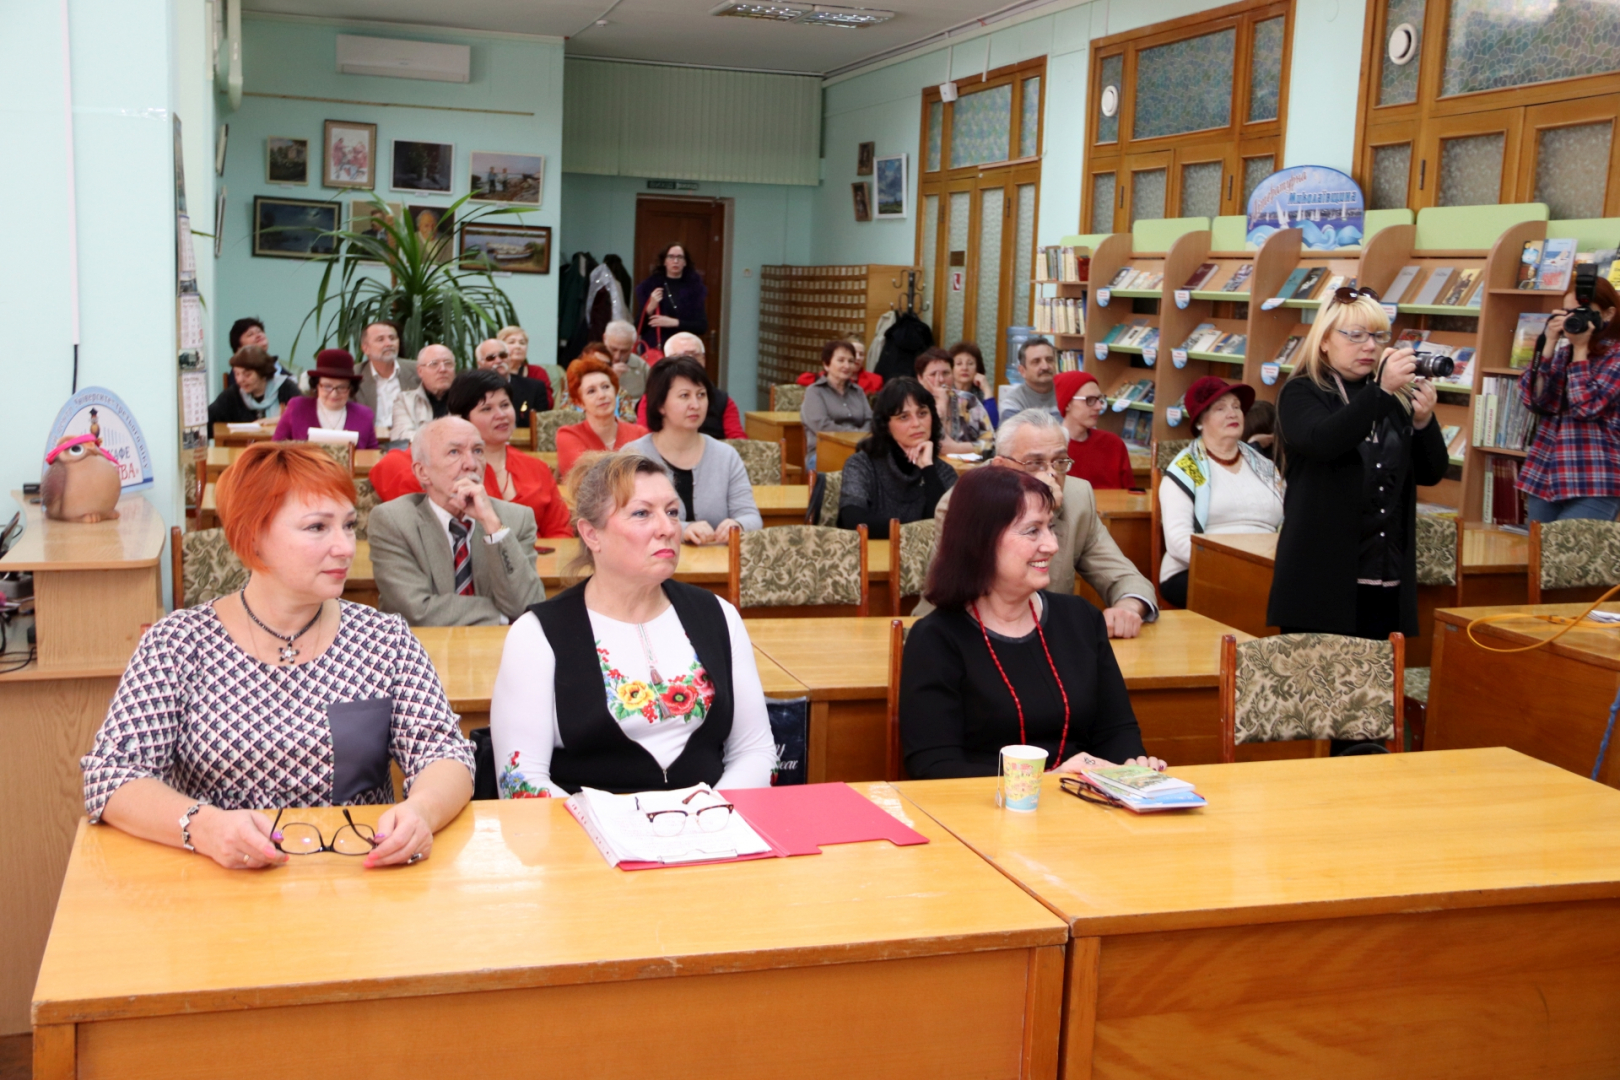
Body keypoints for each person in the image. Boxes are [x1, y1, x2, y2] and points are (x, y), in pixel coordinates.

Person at [80, 443, 474, 870]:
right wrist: (204, 826)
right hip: (218, 878)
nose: (345, 547)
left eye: (348, 525)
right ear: (253, 536)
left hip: (356, 874)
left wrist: (421, 811)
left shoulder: (382, 639)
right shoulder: (178, 644)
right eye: (317, 527)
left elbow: (445, 752)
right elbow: (112, 775)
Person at [490, 452, 776, 796]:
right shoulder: (537, 634)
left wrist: (709, 812)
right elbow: (520, 780)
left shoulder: (718, 615)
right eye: (642, 513)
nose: (667, 528)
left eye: (672, 512)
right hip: (584, 827)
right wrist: (620, 822)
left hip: (710, 820)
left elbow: (756, 752)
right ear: (591, 534)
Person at [899, 465, 1164, 780]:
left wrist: (1132, 769)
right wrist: (1049, 780)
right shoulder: (935, 639)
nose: (1052, 545)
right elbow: (933, 767)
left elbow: (1116, 730)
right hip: (986, 805)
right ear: (981, 540)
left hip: (1082, 800)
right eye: (1032, 531)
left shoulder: (1081, 619)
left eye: (1050, 527)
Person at [1267, 288, 1449, 640]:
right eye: (1355, 335)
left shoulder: (1393, 397)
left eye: (1378, 336)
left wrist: (1424, 421)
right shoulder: (1302, 392)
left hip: (1384, 573)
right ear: (1324, 341)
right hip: (1321, 582)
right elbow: (1324, 441)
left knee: (1379, 675)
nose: (1369, 346)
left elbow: (1430, 473)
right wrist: (1380, 392)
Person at [924, 410, 1157, 638]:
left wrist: (1128, 608)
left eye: (1059, 461)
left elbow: (1125, 577)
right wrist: (1035, 510)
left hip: (1049, 638)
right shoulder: (964, 503)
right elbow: (964, 593)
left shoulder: (1078, 497)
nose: (1051, 474)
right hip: (963, 635)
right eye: (1035, 463)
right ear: (1000, 466)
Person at [367, 417, 549, 626]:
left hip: (498, 643)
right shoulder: (393, 521)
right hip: (423, 645)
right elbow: (416, 611)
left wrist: (492, 526)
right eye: (454, 452)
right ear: (422, 472)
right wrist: (503, 616)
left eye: (478, 451)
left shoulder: (515, 518)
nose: (471, 464)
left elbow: (527, 603)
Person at [1158, 377, 1285, 609]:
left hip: (1266, 567)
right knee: (1256, 592)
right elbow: (1178, 542)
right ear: (1200, 421)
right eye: (1220, 408)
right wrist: (1236, 566)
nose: (1232, 413)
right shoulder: (1185, 470)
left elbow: (1288, 520)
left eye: (1236, 406)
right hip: (1196, 569)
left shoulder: (1265, 466)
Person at [625, 357, 761, 545]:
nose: (695, 405)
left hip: (715, 561)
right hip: (650, 560)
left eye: (701, 395)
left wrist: (738, 524)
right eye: (684, 396)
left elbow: (751, 516)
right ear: (660, 405)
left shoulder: (726, 456)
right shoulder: (634, 456)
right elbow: (628, 518)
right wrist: (683, 529)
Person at [1517, 276, 1620, 522]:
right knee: (1537, 547)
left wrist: (1581, 351)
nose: (1575, 318)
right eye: (1568, 312)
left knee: (1573, 548)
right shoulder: (1563, 353)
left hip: (1595, 478)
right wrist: (1549, 343)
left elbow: (1586, 407)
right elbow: (1534, 400)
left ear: (1608, 314)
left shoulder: (1616, 357)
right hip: (1545, 472)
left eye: (1583, 312)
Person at [838, 376, 957, 540]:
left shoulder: (943, 471)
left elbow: (947, 527)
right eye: (904, 417)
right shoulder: (861, 464)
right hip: (872, 554)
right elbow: (853, 520)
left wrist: (928, 469)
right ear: (886, 425)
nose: (916, 424)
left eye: (922, 413)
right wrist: (915, 531)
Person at [633, 333, 746, 439]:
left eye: (695, 355)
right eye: (683, 356)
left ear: (704, 360)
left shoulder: (723, 400)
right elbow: (643, 436)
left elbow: (739, 441)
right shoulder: (653, 398)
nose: (691, 361)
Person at [556, 356, 648, 477]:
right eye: (591, 391)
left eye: (606, 387)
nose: (602, 395)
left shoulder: (640, 434)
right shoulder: (568, 435)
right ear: (580, 402)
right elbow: (585, 478)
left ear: (615, 391)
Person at [272, 349, 379, 449]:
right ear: (317, 385)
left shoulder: (364, 415)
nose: (334, 394)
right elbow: (275, 448)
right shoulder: (297, 407)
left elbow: (373, 456)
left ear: (351, 388)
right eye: (327, 386)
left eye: (342, 387)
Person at [800, 339, 874, 471]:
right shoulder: (815, 392)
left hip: (858, 450)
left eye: (850, 361)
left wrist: (860, 438)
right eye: (841, 360)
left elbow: (870, 420)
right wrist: (856, 435)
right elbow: (822, 426)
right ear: (826, 364)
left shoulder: (858, 391)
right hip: (824, 452)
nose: (847, 366)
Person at [1055, 371, 1133, 489]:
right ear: (1067, 404)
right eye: (1090, 400)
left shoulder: (1114, 444)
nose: (1099, 407)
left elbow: (1131, 494)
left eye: (1100, 399)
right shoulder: (1051, 448)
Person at [916, 346, 993, 455]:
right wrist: (941, 405)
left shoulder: (968, 400)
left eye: (946, 373)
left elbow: (992, 444)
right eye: (933, 374)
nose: (941, 379)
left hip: (966, 465)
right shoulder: (914, 404)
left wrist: (958, 448)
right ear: (920, 378)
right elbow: (933, 445)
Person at [634, 242, 708, 351]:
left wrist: (673, 322)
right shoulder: (651, 287)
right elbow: (638, 328)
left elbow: (701, 326)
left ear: (685, 262)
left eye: (680, 257)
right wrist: (649, 308)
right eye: (671, 257)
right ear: (664, 261)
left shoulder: (694, 289)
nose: (675, 261)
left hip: (684, 348)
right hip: (657, 349)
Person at [354, 321, 419, 439]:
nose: (389, 344)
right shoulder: (354, 375)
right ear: (365, 348)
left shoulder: (418, 370)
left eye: (392, 338)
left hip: (410, 441)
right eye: (380, 339)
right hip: (370, 442)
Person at [208, 345, 299, 427]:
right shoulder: (232, 395)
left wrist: (279, 420)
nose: (240, 380)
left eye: (247, 374)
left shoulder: (285, 387)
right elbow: (208, 421)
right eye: (237, 374)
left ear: (263, 373)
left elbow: (303, 416)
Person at [391, 343, 456, 445]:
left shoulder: (467, 399)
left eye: (448, 363)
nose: (443, 369)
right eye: (434, 364)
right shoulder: (405, 401)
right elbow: (402, 436)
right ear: (420, 371)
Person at [475, 337, 553, 420]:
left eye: (503, 355)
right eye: (491, 358)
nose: (498, 361)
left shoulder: (535, 388)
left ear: (509, 358)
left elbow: (541, 425)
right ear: (480, 364)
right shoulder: (472, 390)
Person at [998, 336, 1060, 423]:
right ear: (1022, 371)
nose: (1045, 366)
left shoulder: (1069, 397)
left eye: (1049, 360)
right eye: (1036, 361)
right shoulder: (1012, 403)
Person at [603, 319, 649, 411]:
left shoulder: (642, 367)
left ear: (633, 345)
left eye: (624, 351)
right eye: (613, 349)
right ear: (604, 339)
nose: (617, 356)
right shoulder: (590, 363)